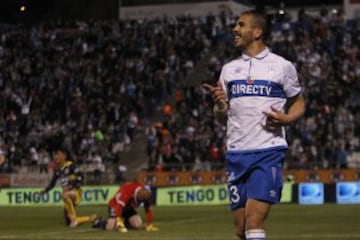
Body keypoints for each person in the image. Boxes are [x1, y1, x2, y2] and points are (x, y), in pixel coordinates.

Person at [203, 9, 305, 240]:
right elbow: (221, 117)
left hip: (267, 151)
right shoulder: (228, 70)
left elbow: (298, 101)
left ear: (257, 31)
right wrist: (220, 105)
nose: (235, 29)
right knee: (241, 228)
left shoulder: (281, 66)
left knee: (254, 220)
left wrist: (287, 118)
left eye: (241, 25)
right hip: (236, 154)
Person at [40, 147, 97, 227]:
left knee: (64, 195)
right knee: (68, 222)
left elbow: (80, 177)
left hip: (76, 192)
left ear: (64, 156)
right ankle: (91, 218)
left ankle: (74, 220)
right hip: (67, 195)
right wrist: (45, 191)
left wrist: (71, 186)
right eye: (56, 154)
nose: (56, 156)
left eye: (58, 154)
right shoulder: (58, 170)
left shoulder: (71, 165)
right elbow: (52, 184)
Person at [92, 182, 158, 232]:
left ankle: (126, 222)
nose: (141, 203)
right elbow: (119, 206)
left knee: (138, 225)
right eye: (141, 201)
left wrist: (150, 224)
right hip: (115, 206)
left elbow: (148, 209)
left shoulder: (145, 195)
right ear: (138, 196)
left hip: (128, 208)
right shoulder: (128, 191)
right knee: (110, 228)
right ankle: (99, 222)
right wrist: (119, 220)